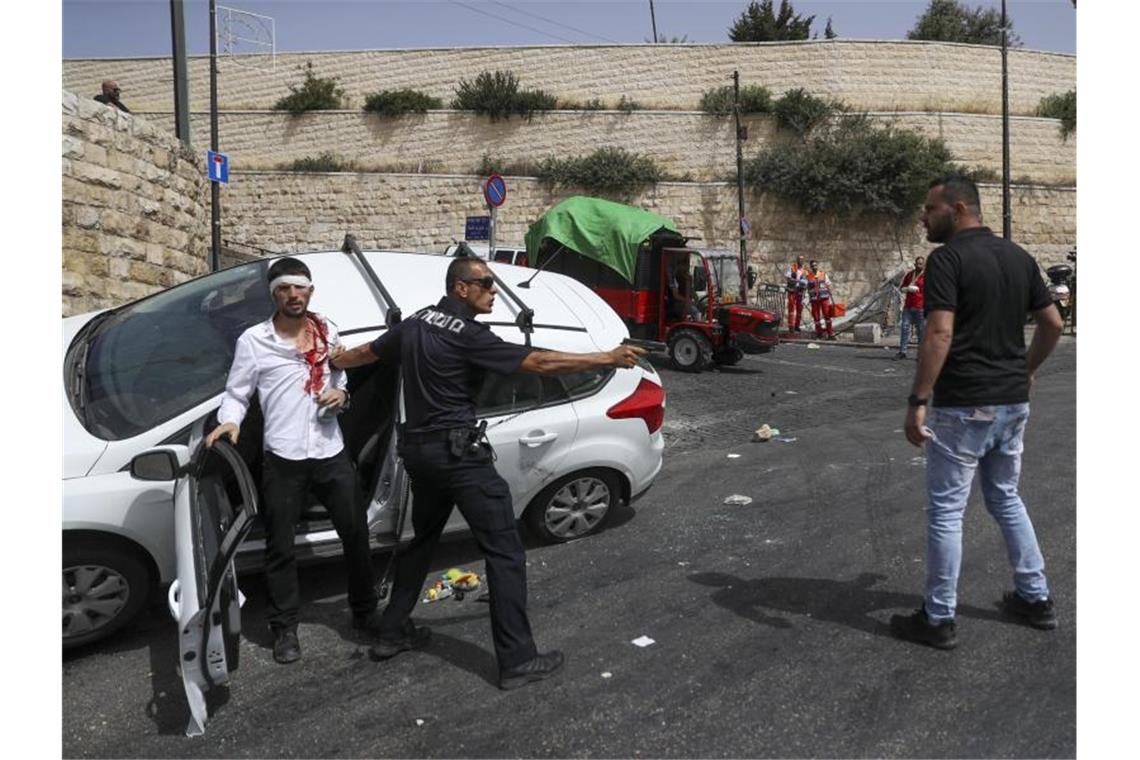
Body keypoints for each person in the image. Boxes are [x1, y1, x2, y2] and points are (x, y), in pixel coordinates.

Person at [330, 257, 645, 690]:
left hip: (419, 454)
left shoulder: (417, 322)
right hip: (459, 456)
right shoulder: (470, 336)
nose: (493, 290)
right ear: (462, 288)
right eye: (486, 283)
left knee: (421, 542)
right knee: (504, 550)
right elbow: (539, 363)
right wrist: (605, 357)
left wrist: (331, 359)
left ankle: (391, 632)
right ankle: (517, 660)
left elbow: (365, 354)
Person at [893, 176, 1064, 650]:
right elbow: (1053, 321)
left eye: (930, 209)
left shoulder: (947, 260)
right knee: (1006, 498)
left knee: (947, 511)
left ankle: (938, 617)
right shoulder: (1018, 256)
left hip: (964, 404)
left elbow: (939, 334)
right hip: (1012, 402)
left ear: (959, 208)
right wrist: (1026, 370)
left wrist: (918, 401)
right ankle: (1036, 598)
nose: (924, 218)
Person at [205, 257, 381, 664]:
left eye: (300, 287)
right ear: (274, 294)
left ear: (310, 291)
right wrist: (230, 422)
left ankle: (365, 610)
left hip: (330, 451)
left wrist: (342, 394)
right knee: (280, 546)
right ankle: (284, 628)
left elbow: (338, 376)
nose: (293, 294)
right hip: (283, 457)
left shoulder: (327, 331)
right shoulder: (254, 340)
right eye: (285, 288)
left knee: (356, 534)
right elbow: (236, 392)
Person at [896, 256, 926, 359]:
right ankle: (902, 352)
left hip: (920, 307)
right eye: (917, 263)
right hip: (908, 306)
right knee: (904, 328)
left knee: (921, 331)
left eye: (921, 264)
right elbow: (902, 288)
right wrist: (907, 289)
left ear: (924, 265)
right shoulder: (909, 275)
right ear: (914, 264)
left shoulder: (927, 276)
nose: (919, 265)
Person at [806, 260, 835, 340]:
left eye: (815, 265)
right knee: (816, 318)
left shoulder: (823, 274)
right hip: (814, 299)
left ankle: (830, 334)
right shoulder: (808, 276)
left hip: (824, 298)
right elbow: (806, 288)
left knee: (827, 316)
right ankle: (819, 334)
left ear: (817, 266)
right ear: (811, 267)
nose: (814, 267)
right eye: (812, 266)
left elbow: (829, 285)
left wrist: (831, 298)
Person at [666, 255, 701, 321]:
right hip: (677, 304)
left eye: (687, 264)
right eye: (684, 264)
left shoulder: (688, 278)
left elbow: (691, 290)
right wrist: (686, 300)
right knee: (695, 312)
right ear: (679, 265)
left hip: (686, 303)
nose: (686, 267)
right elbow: (676, 295)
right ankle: (699, 327)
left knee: (702, 307)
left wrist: (695, 296)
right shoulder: (675, 278)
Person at [784, 256, 808, 332]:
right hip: (792, 291)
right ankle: (791, 327)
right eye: (799, 259)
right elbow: (788, 278)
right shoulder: (792, 268)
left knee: (799, 309)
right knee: (791, 309)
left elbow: (807, 281)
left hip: (800, 292)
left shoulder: (805, 270)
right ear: (797, 260)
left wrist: (805, 285)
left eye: (802, 260)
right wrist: (797, 281)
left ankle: (797, 326)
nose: (801, 261)